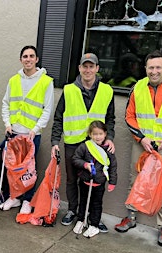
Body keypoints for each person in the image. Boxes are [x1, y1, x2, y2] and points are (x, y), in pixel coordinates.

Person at [114, 50, 162, 248]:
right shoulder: (137, 88)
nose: (154, 71)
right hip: (142, 144)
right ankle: (131, 217)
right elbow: (129, 116)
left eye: (158, 67)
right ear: (145, 68)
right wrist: (141, 138)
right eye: (151, 67)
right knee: (135, 180)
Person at [50, 53, 115, 232]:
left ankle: (93, 217)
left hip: (96, 145)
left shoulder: (107, 91)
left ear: (97, 69)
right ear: (79, 68)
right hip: (73, 143)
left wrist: (109, 138)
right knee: (72, 180)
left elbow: (110, 119)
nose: (88, 70)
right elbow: (58, 118)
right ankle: (73, 211)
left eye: (91, 66)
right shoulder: (69, 90)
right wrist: (55, 140)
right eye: (84, 66)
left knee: (97, 180)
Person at [0, 45, 54, 214]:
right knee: (12, 169)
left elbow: (47, 109)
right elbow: (6, 103)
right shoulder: (14, 80)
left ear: (36, 59)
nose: (28, 59)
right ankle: (14, 197)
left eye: (31, 56)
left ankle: (27, 200)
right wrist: (7, 124)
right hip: (14, 132)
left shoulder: (46, 81)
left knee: (29, 170)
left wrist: (36, 128)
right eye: (25, 56)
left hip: (31, 135)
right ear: (20, 59)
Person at [71, 120, 117, 238]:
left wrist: (112, 182)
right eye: (95, 134)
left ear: (105, 134)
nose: (98, 137)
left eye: (100, 134)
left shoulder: (108, 149)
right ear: (90, 134)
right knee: (83, 202)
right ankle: (81, 220)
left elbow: (113, 166)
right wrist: (85, 165)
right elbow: (75, 158)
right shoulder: (85, 146)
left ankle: (94, 225)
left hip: (99, 183)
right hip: (85, 181)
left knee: (96, 204)